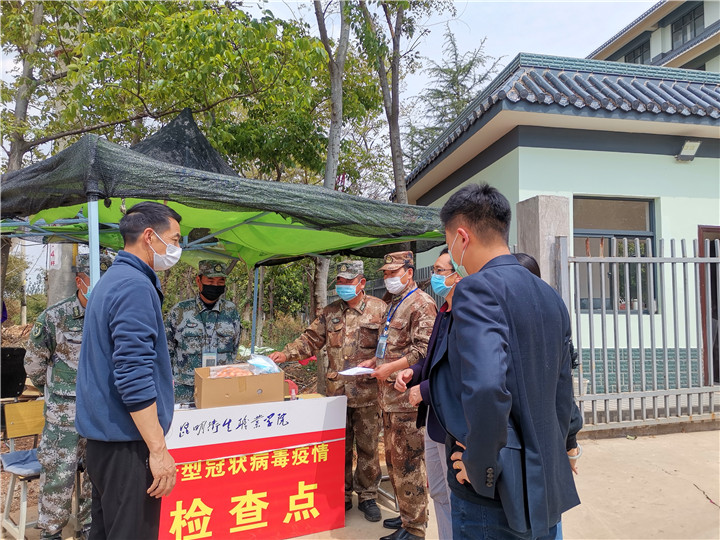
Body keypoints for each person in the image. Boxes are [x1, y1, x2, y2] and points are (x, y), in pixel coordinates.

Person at [429, 184, 580, 540]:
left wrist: (479, 464)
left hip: (494, 493)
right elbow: (562, 389)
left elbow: (486, 386)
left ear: (461, 237)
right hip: (542, 482)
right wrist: (567, 443)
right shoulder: (549, 295)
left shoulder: (476, 289)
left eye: (449, 241)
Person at [76, 201, 182, 539]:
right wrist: (158, 450)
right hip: (127, 444)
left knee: (107, 531)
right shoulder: (134, 286)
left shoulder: (111, 281)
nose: (177, 248)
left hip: (105, 443)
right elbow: (133, 375)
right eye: (174, 239)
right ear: (149, 236)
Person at [269, 260, 386, 522]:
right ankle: (341, 493)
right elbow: (310, 340)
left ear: (362, 282)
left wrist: (380, 363)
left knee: (368, 447)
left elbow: (388, 347)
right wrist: (285, 354)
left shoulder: (379, 309)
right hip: (337, 394)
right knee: (338, 447)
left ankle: (368, 496)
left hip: (367, 393)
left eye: (348, 281)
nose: (342, 285)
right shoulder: (330, 312)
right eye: (339, 281)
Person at [25, 253, 113, 540]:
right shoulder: (55, 317)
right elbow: (34, 367)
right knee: (58, 480)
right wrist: (61, 395)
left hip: (100, 417)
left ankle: (90, 530)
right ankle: (51, 533)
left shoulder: (112, 317)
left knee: (95, 480)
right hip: (65, 420)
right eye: (95, 280)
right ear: (79, 281)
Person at [358, 251, 438, 540]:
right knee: (394, 463)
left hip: (407, 401)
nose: (388, 278)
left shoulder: (422, 304)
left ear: (409, 272)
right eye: (385, 273)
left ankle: (414, 529)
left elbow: (423, 351)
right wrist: (374, 362)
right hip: (388, 399)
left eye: (393, 273)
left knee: (408, 465)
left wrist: (390, 368)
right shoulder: (394, 303)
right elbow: (389, 345)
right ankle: (407, 515)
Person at [394, 247, 459, 540]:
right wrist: (413, 373)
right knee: (440, 493)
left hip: (452, 421)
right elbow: (432, 360)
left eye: (439, 271)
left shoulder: (466, 316)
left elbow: (461, 373)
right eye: (433, 271)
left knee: (455, 496)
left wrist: (424, 389)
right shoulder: (444, 312)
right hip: (433, 420)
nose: (433, 276)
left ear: (457, 276)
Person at [165, 259, 242, 403]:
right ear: (198, 281)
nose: (215, 285)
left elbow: (234, 347)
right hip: (185, 390)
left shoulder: (231, 311)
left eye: (220, 281)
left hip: (221, 388)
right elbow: (167, 350)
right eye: (210, 281)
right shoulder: (180, 311)